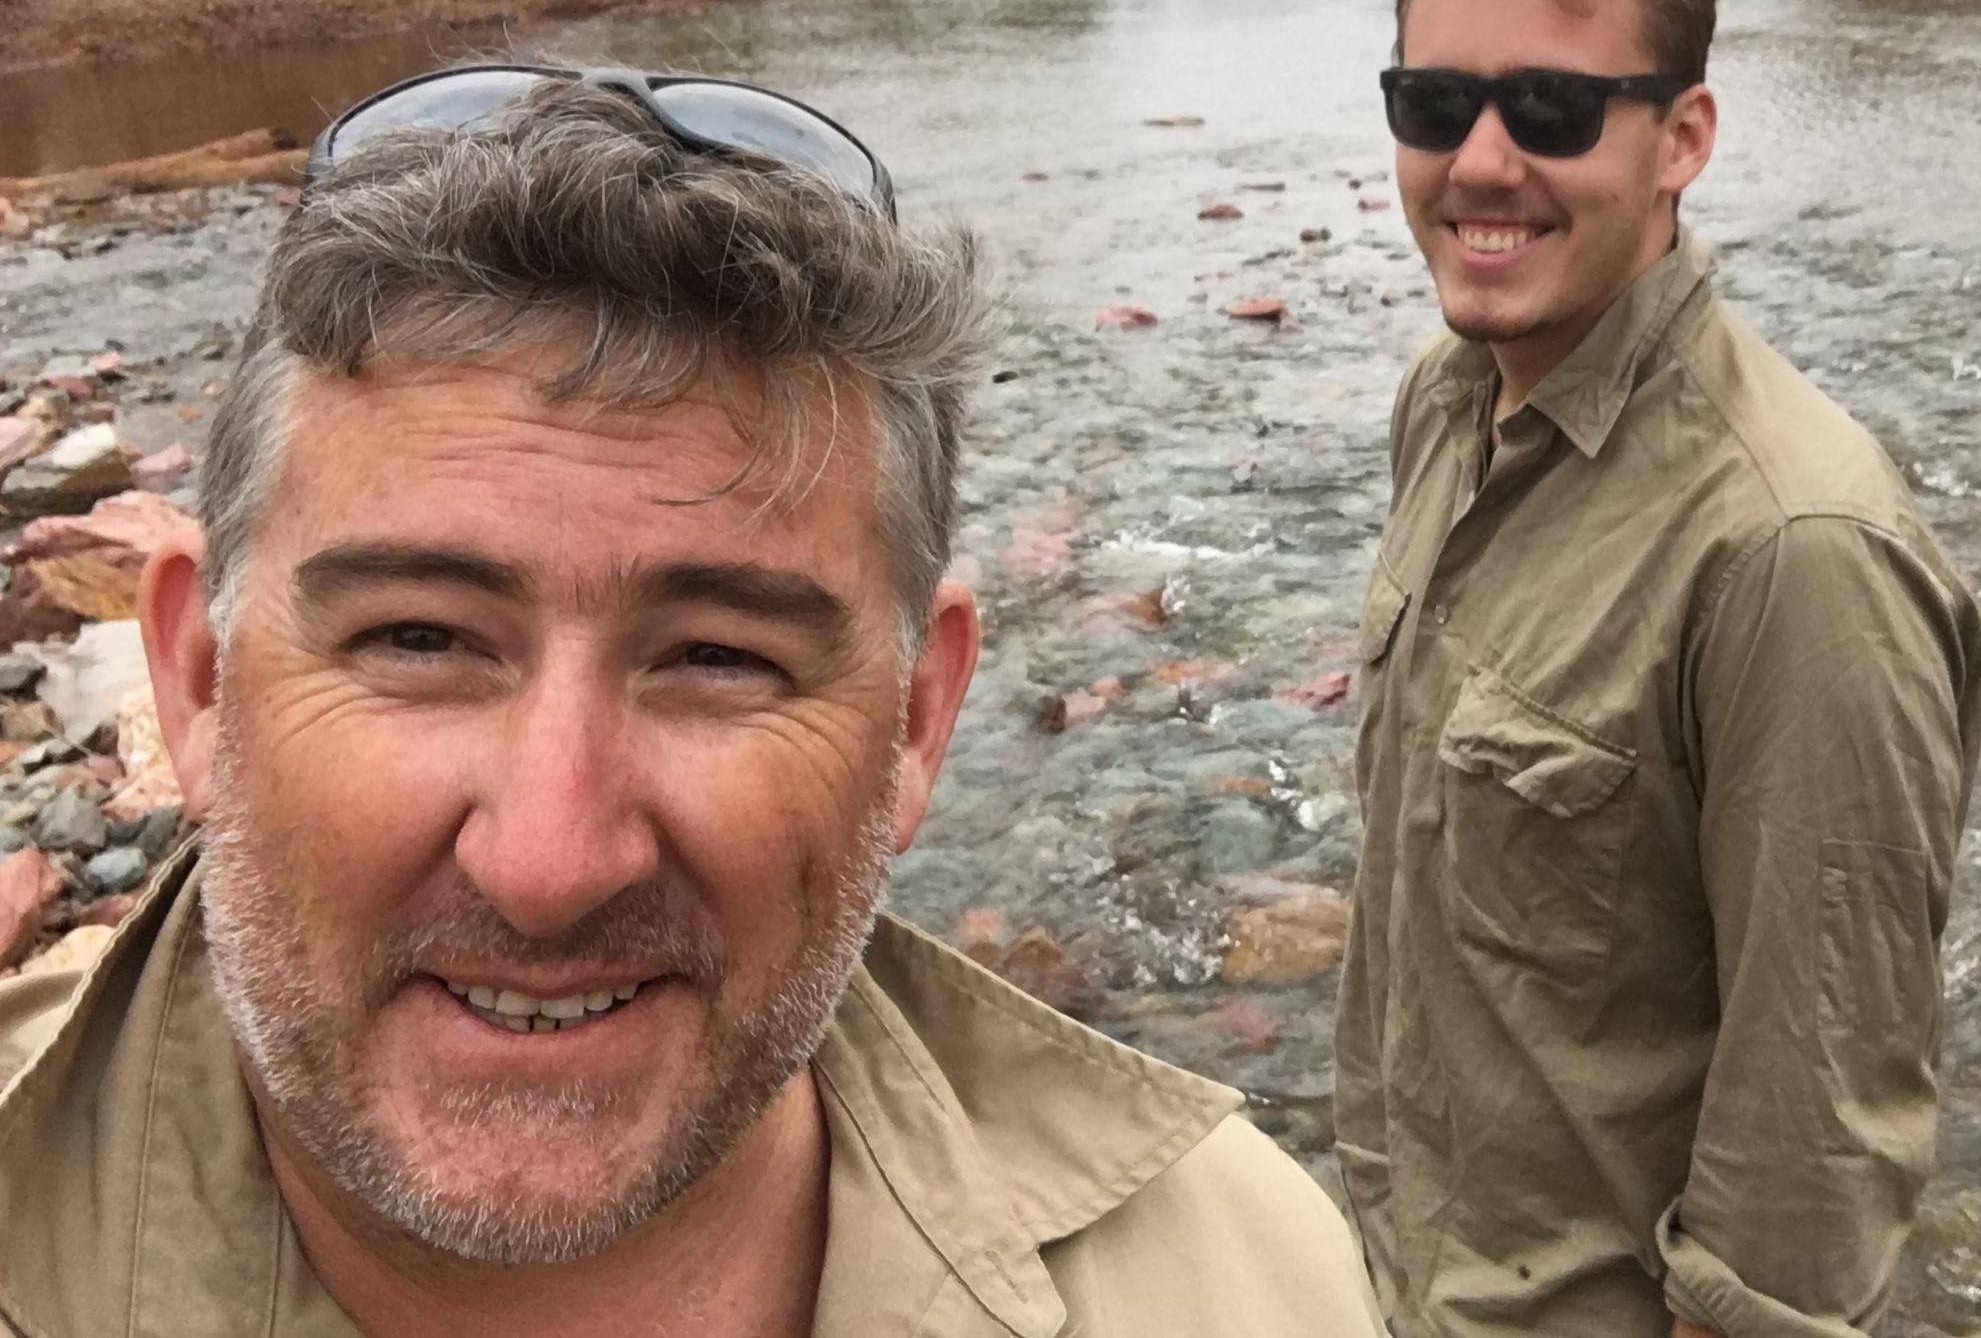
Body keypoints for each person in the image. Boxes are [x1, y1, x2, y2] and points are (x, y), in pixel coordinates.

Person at [0, 65, 1382, 1338]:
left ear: (915, 722)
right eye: (420, 638)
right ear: (196, 677)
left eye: (719, 660)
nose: (549, 862)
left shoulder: (1247, 1285)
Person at [1333, 0, 1981, 1338]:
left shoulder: (1797, 554)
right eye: (1436, 104)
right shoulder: (1448, 401)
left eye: (1553, 109)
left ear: (1681, 137)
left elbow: (1812, 1164)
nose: (1482, 162)